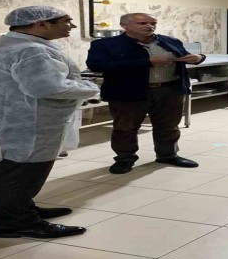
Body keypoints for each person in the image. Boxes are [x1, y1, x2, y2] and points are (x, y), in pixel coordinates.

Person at [0, 6, 100, 239]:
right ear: (41, 24)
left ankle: (14, 209)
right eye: (66, 21)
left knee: (1, 168)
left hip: (2, 121)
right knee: (23, 173)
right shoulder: (31, 51)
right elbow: (47, 87)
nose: (71, 26)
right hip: (28, 125)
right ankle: (16, 223)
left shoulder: (0, 45)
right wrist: (90, 88)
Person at [86, 13, 206, 174]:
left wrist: (198, 57)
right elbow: (96, 65)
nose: (150, 26)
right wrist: (147, 62)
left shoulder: (169, 41)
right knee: (126, 128)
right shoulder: (106, 44)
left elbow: (185, 56)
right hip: (128, 92)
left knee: (169, 126)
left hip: (169, 90)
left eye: (153, 23)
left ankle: (168, 155)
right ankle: (124, 159)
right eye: (142, 23)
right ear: (124, 25)